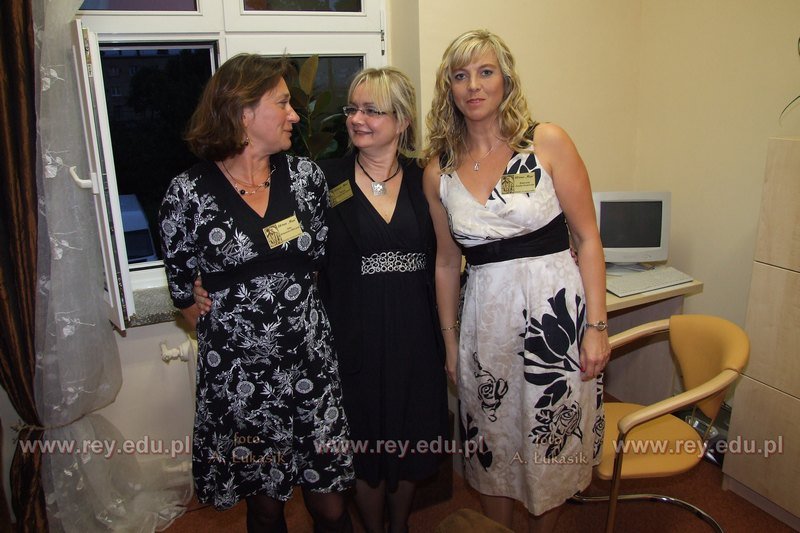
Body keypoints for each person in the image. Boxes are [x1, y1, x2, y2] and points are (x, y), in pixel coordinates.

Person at [193, 66, 451, 533]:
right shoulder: (321, 180)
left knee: (412, 438)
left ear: (402, 119)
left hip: (415, 336)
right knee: (363, 444)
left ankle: (399, 527)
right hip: (350, 340)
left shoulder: (427, 178)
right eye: (352, 108)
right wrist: (210, 281)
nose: (356, 119)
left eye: (371, 110)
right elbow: (282, 251)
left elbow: (456, 247)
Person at [421, 29, 610, 532]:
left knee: (551, 439)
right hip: (485, 325)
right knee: (493, 442)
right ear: (448, 88)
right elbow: (446, 263)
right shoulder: (438, 171)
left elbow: (588, 239)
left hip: (555, 321)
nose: (474, 86)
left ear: (505, 79)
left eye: (485, 72)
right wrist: (450, 342)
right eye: (461, 76)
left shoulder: (546, 142)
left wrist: (597, 327)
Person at [158, 53, 354, 533]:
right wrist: (234, 332)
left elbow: (318, 261)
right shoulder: (187, 194)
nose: (295, 115)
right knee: (265, 507)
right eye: (282, 103)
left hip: (311, 369)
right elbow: (184, 294)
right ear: (244, 112)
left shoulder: (306, 179)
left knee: (330, 503)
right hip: (242, 384)